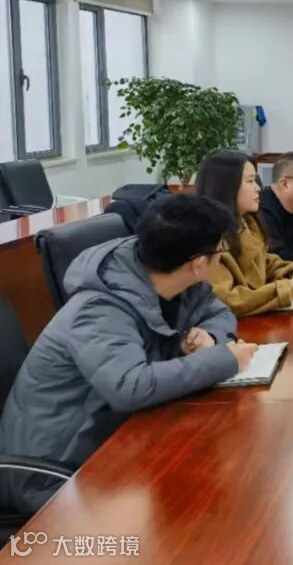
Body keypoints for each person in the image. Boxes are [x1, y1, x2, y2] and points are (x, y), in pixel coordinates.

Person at [0, 194, 257, 514]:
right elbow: (129, 387)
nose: (223, 256)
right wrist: (224, 359)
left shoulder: (174, 275)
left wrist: (212, 337)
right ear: (198, 262)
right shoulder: (99, 308)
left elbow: (219, 313)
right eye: (220, 249)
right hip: (52, 470)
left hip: (115, 437)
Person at [196, 150, 293, 317]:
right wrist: (287, 289)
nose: (258, 188)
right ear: (226, 186)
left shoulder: (248, 222)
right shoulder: (206, 236)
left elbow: (264, 262)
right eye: (250, 181)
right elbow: (227, 299)